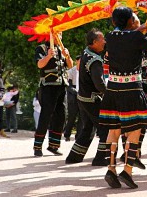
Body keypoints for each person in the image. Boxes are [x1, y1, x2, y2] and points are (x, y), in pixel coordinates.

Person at [99, 6, 147, 189]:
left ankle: (111, 169)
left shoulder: (110, 37)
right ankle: (127, 170)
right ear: (129, 22)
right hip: (132, 89)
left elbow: (129, 35)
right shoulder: (136, 38)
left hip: (113, 89)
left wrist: (138, 29)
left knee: (114, 129)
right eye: (134, 19)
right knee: (135, 130)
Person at [65, 29, 109, 166]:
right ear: (94, 42)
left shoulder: (86, 53)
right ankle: (101, 158)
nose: (104, 42)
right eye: (102, 39)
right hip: (92, 99)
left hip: (83, 98)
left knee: (88, 129)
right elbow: (99, 83)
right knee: (105, 128)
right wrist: (109, 94)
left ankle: (74, 157)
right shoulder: (95, 60)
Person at [33, 32, 73, 157]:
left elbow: (70, 65)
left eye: (60, 34)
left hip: (61, 86)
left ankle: (54, 145)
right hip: (48, 87)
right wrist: (48, 56)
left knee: (61, 115)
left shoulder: (62, 49)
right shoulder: (42, 48)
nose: (59, 36)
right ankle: (37, 146)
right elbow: (39, 64)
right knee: (46, 115)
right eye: (56, 34)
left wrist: (67, 56)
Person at [64, 55, 82, 142]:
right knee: (72, 116)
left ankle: (78, 136)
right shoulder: (71, 71)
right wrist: (76, 92)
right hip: (73, 95)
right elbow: (68, 86)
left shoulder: (85, 71)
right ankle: (67, 134)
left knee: (82, 117)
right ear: (76, 61)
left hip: (82, 94)